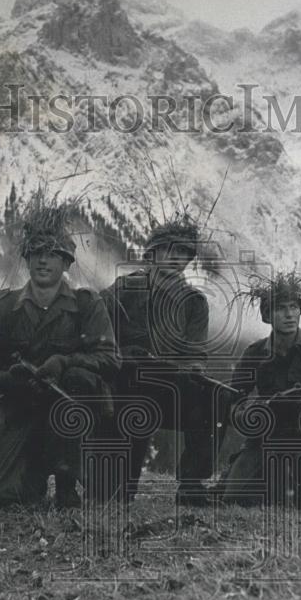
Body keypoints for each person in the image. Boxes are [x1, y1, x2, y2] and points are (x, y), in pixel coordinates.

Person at [0, 199, 119, 507]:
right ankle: (29, 478)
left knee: (77, 380)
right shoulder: (3, 307)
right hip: (23, 407)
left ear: (66, 263)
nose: (43, 261)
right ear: (26, 259)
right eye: (36, 253)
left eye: (53, 255)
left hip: (75, 410)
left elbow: (110, 359)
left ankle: (67, 484)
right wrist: (12, 378)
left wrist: (65, 362)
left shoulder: (87, 304)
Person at [101, 213, 214, 505]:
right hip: (124, 383)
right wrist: (127, 356)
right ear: (153, 252)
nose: (179, 259)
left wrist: (190, 371)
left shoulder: (194, 302)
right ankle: (117, 487)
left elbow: (196, 353)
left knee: (209, 398)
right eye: (172, 251)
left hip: (169, 384)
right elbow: (98, 340)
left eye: (186, 254)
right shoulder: (122, 290)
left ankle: (191, 484)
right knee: (135, 402)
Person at [219, 272, 301, 507]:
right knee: (235, 497)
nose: (290, 314)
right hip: (269, 432)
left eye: (294, 307)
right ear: (268, 316)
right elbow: (234, 398)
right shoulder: (255, 352)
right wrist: (250, 412)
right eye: (281, 308)